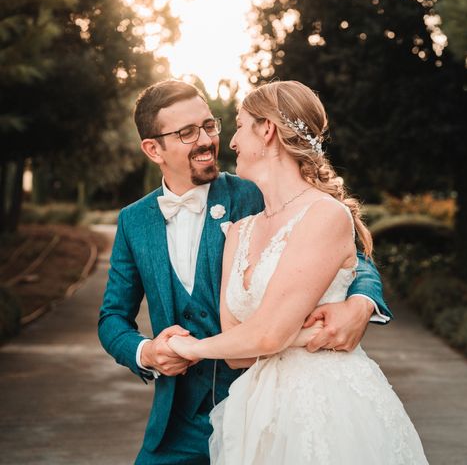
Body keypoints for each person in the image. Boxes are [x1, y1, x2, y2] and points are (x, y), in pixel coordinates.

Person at [97, 79, 392, 464]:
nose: (207, 140)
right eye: (187, 133)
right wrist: (146, 352)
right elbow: (112, 317)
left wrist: (362, 301)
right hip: (177, 423)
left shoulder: (255, 190)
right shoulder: (134, 221)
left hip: (260, 406)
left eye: (209, 125)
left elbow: (349, 251)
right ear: (154, 149)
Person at [168, 81, 428, 464]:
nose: (233, 141)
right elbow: (238, 349)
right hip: (258, 408)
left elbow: (268, 334)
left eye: (239, 125)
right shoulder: (240, 231)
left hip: (327, 406)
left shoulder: (324, 214)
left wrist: (190, 347)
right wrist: (299, 332)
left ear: (267, 130)